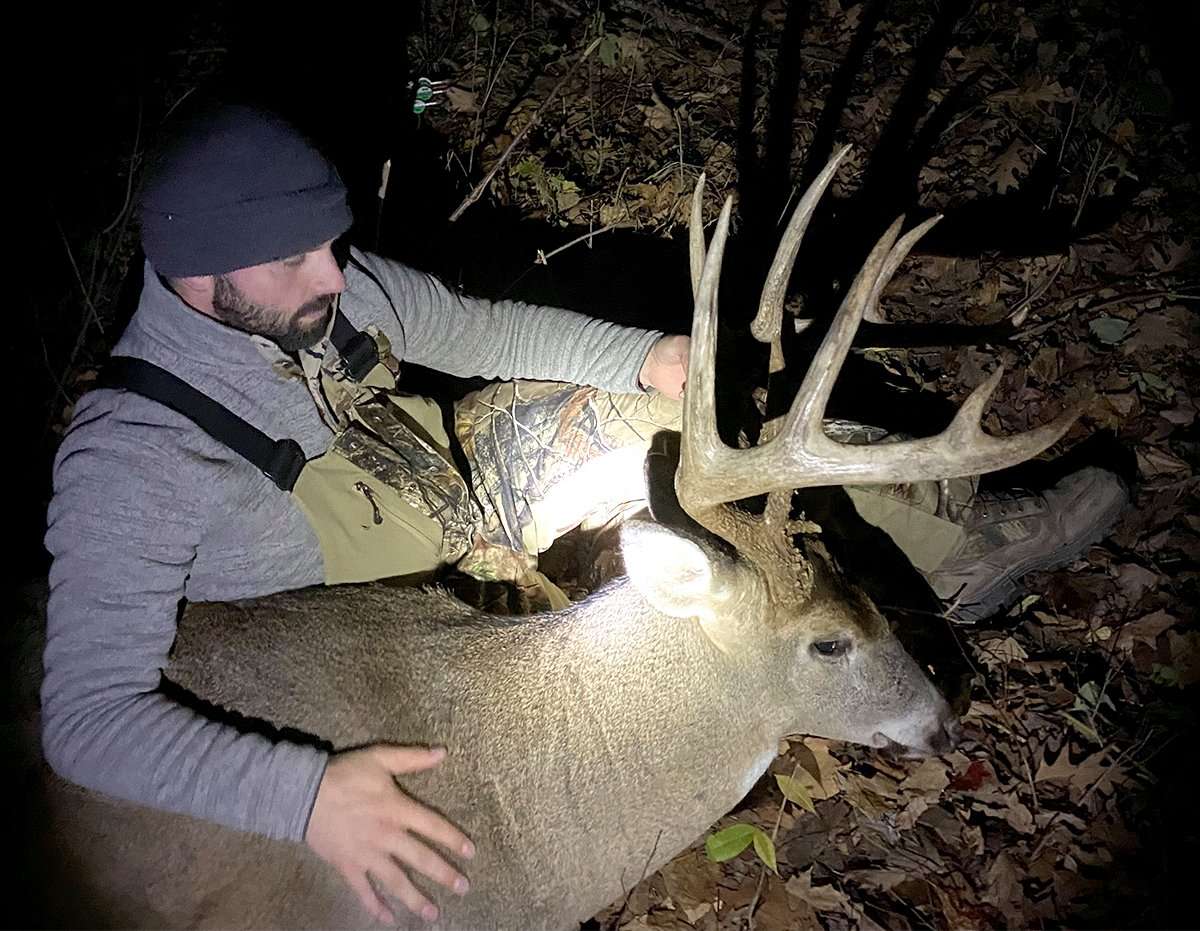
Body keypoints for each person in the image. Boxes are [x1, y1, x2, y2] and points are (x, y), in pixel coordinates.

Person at [41, 103, 1127, 924]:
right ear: (195, 277)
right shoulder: (130, 461)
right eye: (294, 259)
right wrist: (306, 794)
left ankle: (965, 543)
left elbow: (479, 333)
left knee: (708, 433)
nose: (334, 270)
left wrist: (648, 360)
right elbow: (88, 719)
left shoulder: (326, 295)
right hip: (389, 612)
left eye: (330, 241)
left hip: (460, 478)